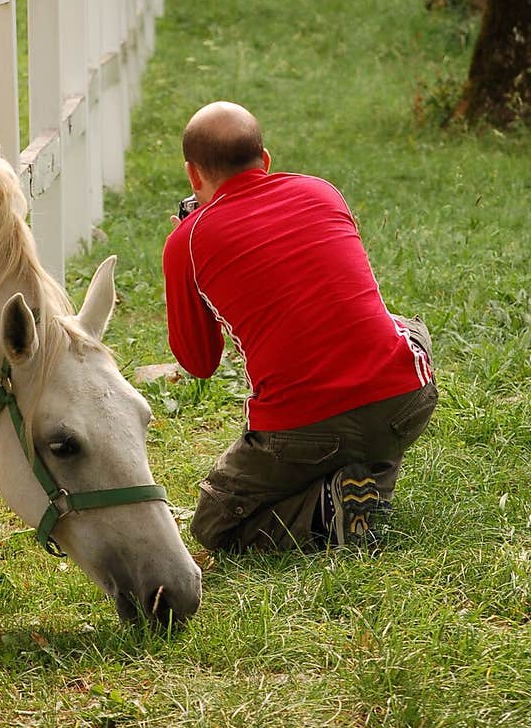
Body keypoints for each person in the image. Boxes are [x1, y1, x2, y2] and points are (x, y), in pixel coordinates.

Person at [162, 101, 437, 554]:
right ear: (265, 160)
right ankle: (371, 477)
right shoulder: (322, 191)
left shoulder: (186, 242)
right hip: (404, 399)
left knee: (214, 526)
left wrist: (188, 266)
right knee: (401, 326)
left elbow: (198, 362)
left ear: (193, 175)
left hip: (302, 429)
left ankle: (328, 514)